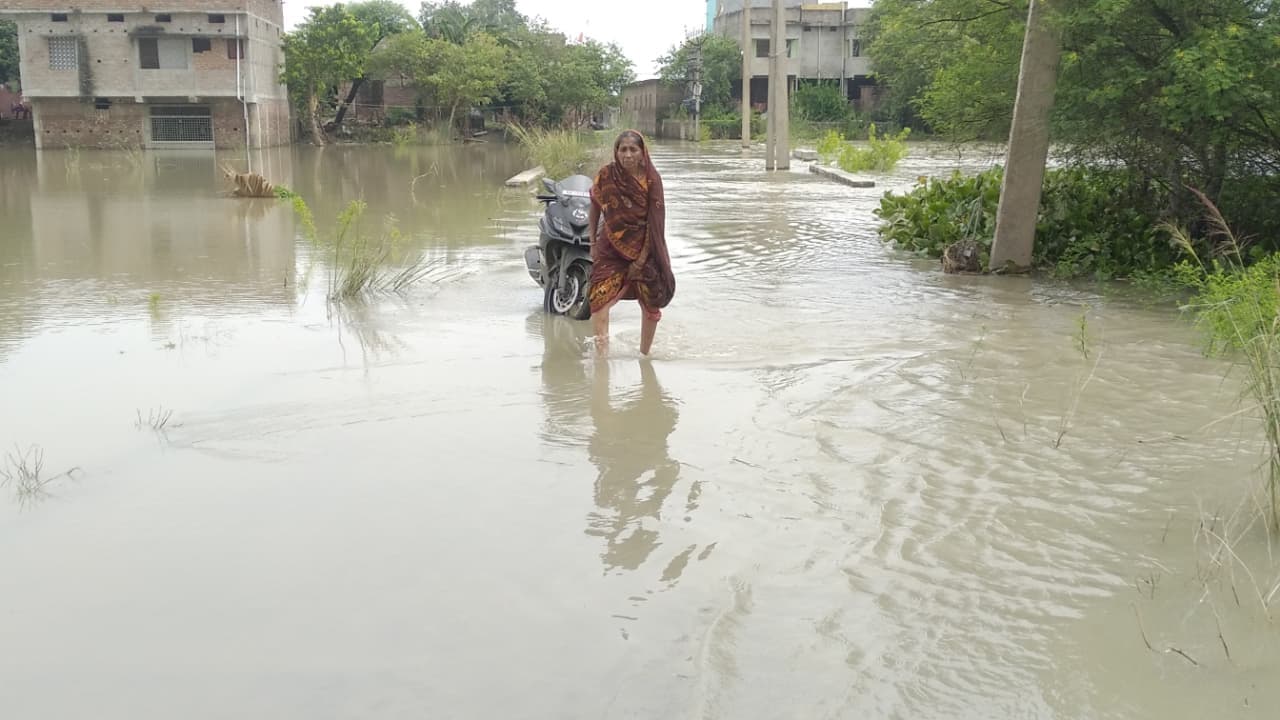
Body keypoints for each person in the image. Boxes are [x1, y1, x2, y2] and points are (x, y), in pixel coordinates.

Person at [587, 130, 676, 356]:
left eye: (632, 149)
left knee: (651, 304)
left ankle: (644, 355)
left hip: (645, 248)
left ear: (642, 152)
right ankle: (602, 361)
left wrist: (641, 259)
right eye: (622, 149)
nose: (627, 154)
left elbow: (655, 223)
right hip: (610, 249)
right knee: (599, 302)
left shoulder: (651, 180)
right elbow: (595, 206)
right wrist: (592, 243)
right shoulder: (606, 175)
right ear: (616, 152)